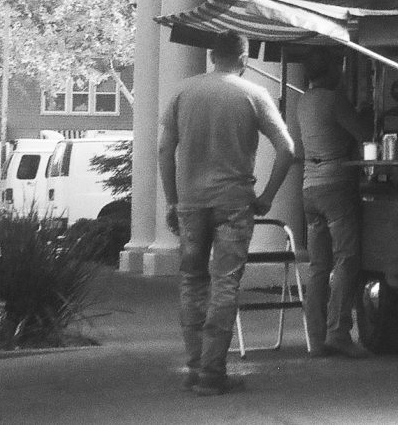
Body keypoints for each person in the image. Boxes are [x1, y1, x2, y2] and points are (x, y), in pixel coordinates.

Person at [158, 31, 295, 396]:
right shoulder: (254, 95)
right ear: (245, 58)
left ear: (210, 56)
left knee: (191, 281)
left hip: (190, 203)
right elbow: (287, 149)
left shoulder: (182, 93)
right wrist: (265, 196)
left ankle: (194, 366)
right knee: (225, 282)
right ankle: (212, 373)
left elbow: (163, 150)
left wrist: (173, 201)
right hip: (234, 203)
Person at [291, 45, 370, 358]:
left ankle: (316, 337)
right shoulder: (334, 100)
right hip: (336, 186)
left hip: (309, 188)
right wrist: (363, 112)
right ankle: (338, 332)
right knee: (347, 258)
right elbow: (364, 133)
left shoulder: (303, 101)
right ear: (333, 70)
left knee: (318, 266)